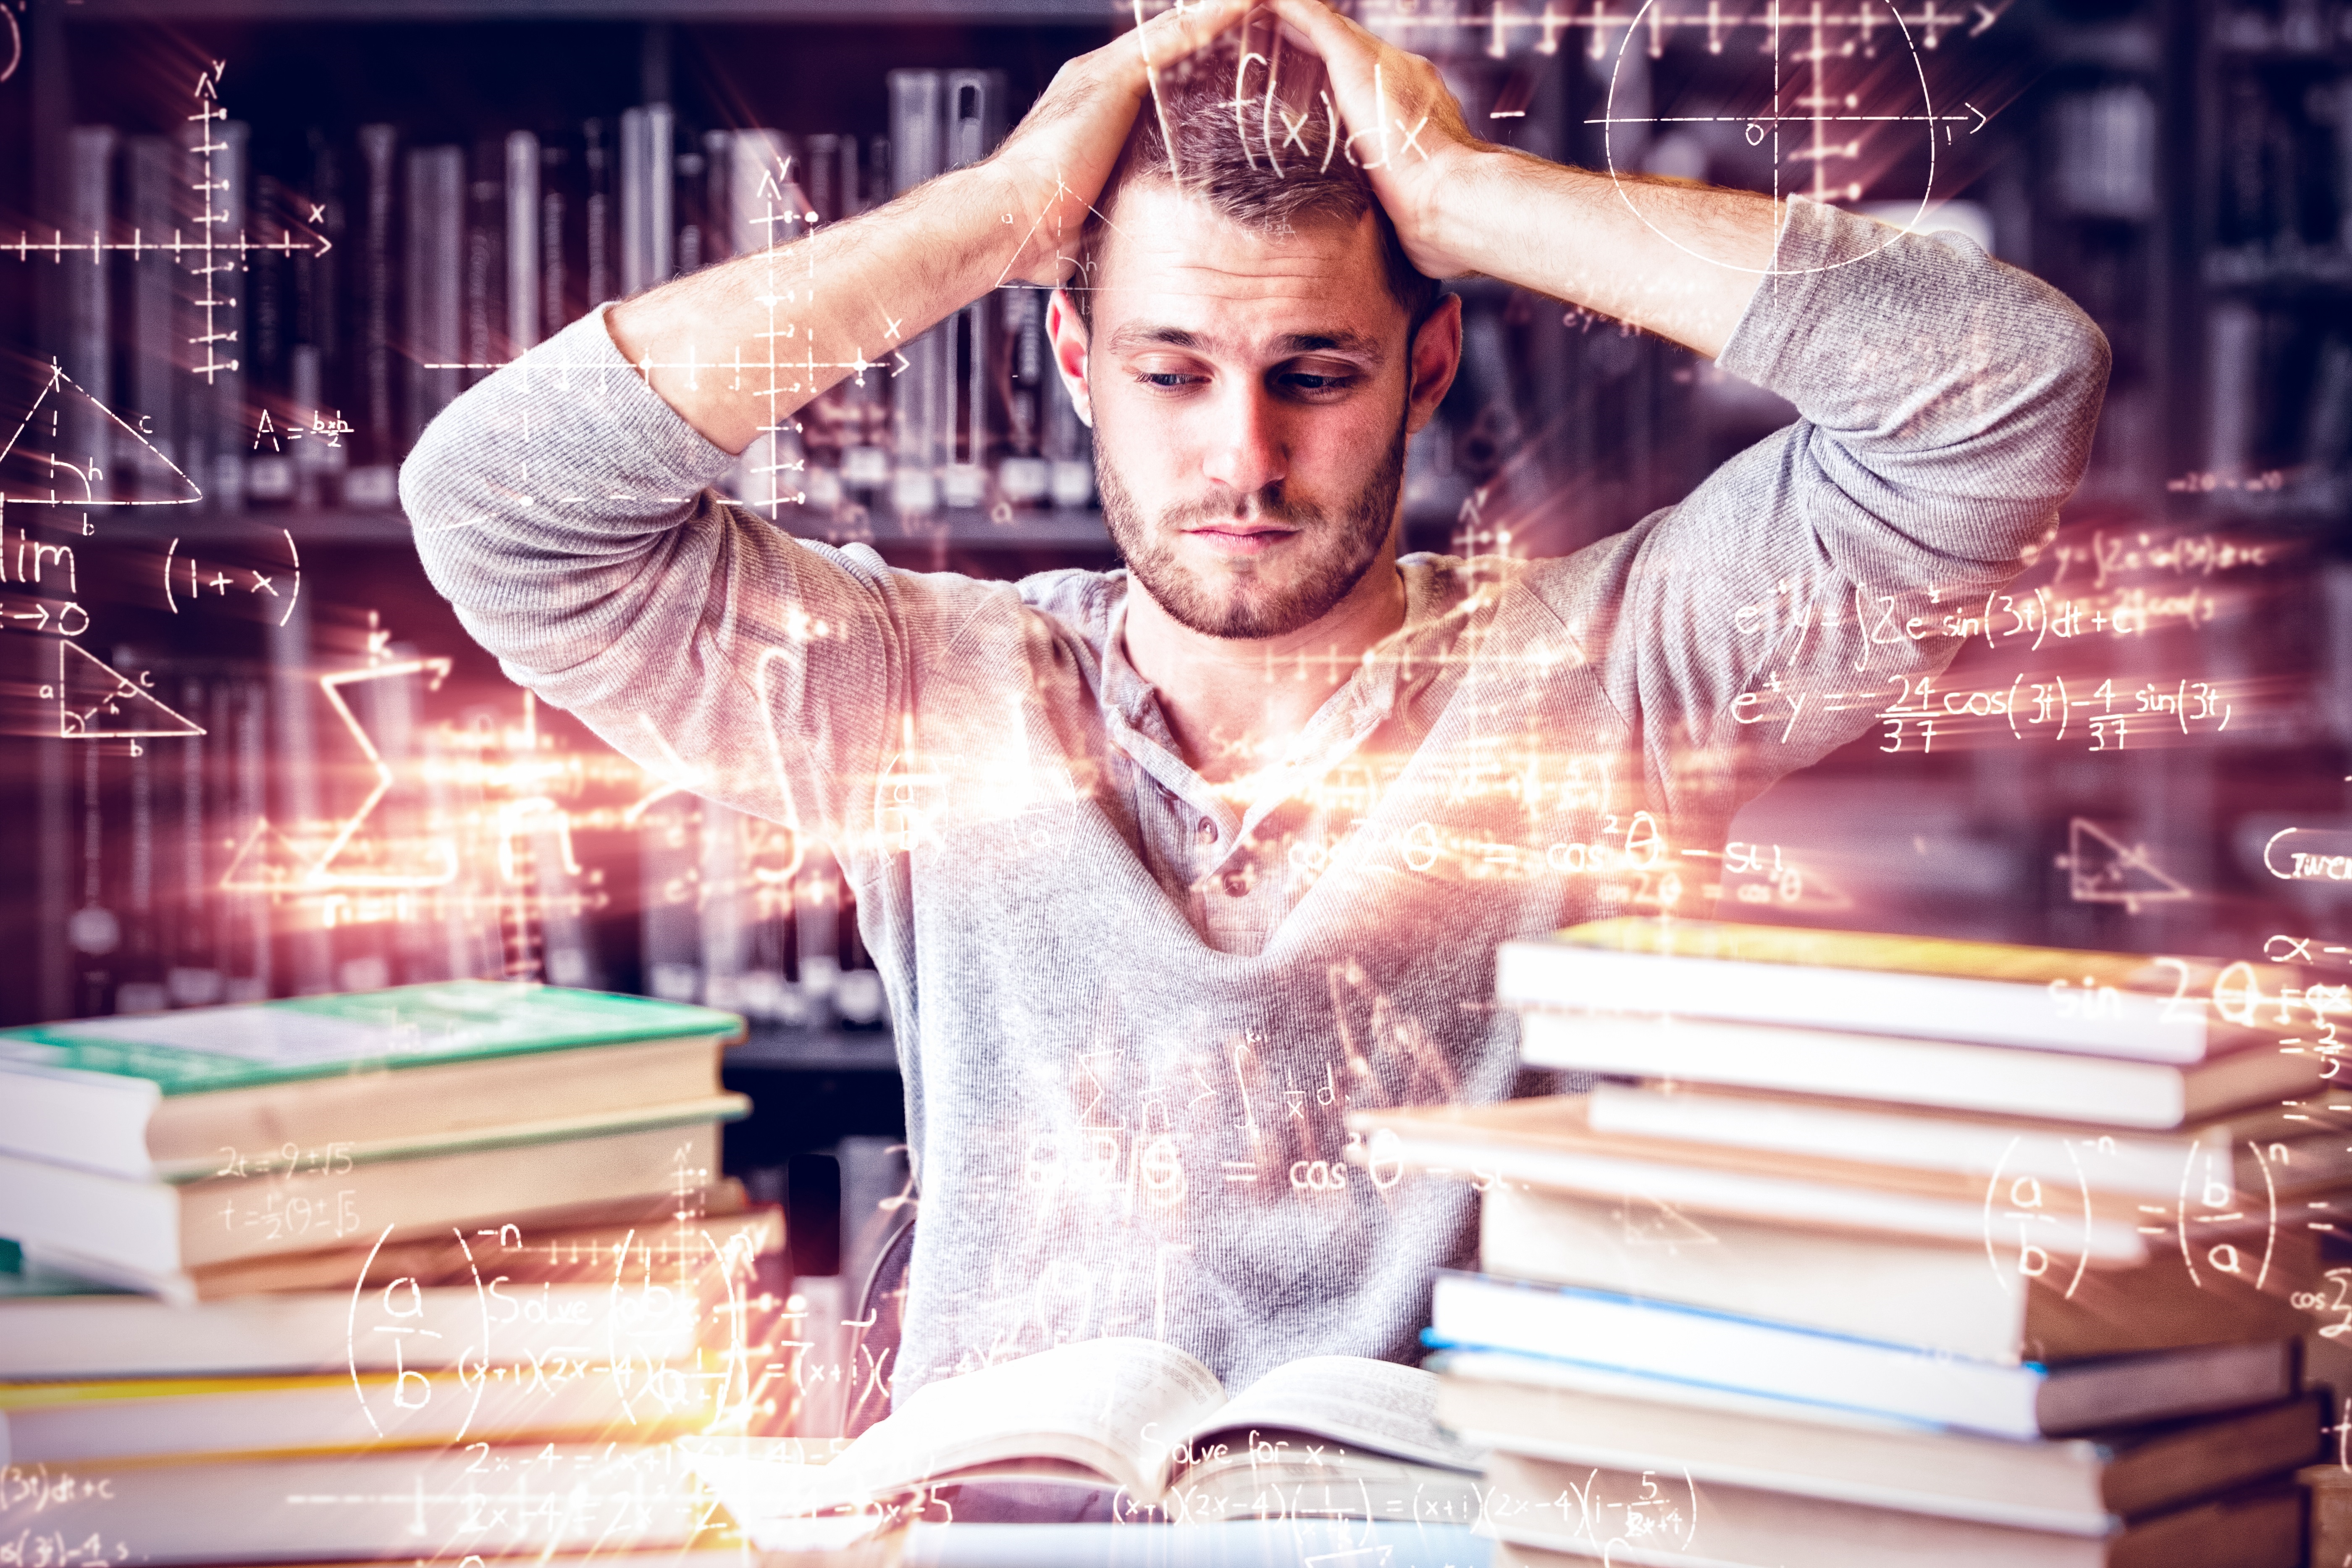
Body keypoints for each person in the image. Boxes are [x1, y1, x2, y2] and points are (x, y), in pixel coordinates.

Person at [403, 0, 2107, 1405]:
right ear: (1076, 365)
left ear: (1424, 365)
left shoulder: (1607, 676)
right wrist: (992, 220)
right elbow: (499, 504)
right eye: (1169, 371)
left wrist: (1467, 197)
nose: (1241, 458)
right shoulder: (917, 695)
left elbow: (2001, 396)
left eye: (1315, 371)